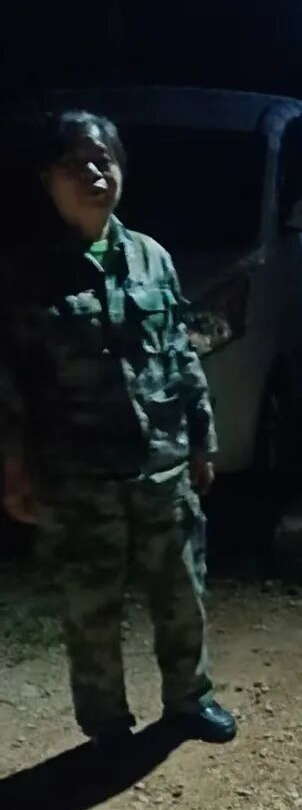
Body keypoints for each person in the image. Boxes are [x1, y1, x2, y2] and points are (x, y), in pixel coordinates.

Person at [0, 110, 237, 749]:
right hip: (77, 477)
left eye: (104, 160)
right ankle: (105, 724)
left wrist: (202, 442)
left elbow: (181, 356)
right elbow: (10, 382)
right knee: (90, 607)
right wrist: (14, 468)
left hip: (161, 465)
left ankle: (190, 699)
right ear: (48, 179)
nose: (94, 174)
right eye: (76, 164)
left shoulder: (151, 259)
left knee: (182, 589)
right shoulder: (25, 274)